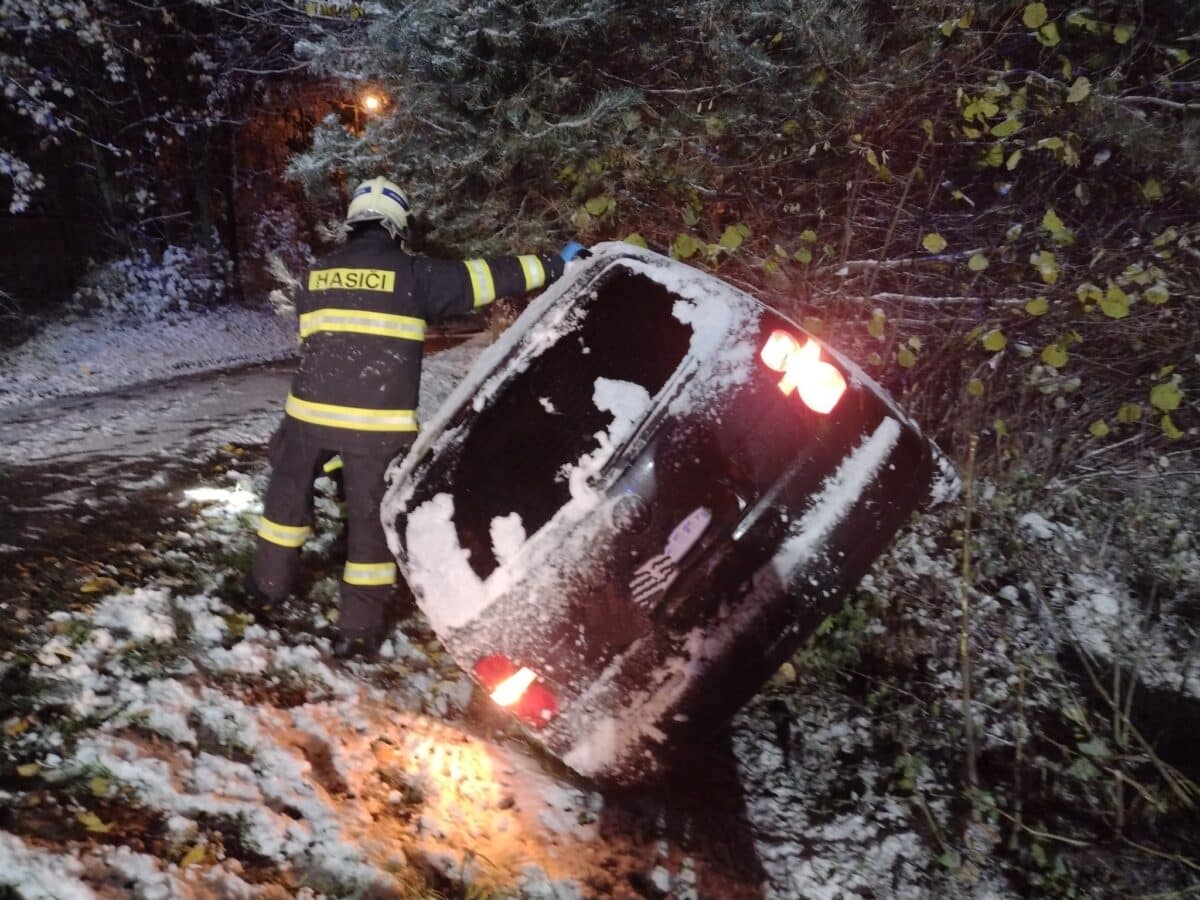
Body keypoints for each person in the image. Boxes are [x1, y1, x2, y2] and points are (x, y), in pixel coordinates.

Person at [247, 175, 583, 658]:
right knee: (368, 530)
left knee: (283, 508)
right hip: (375, 430)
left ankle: (267, 587)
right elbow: (489, 277)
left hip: (305, 420)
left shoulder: (315, 275)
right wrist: (555, 264)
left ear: (354, 222)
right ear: (397, 225)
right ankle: (356, 631)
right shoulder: (416, 276)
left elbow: (319, 344)